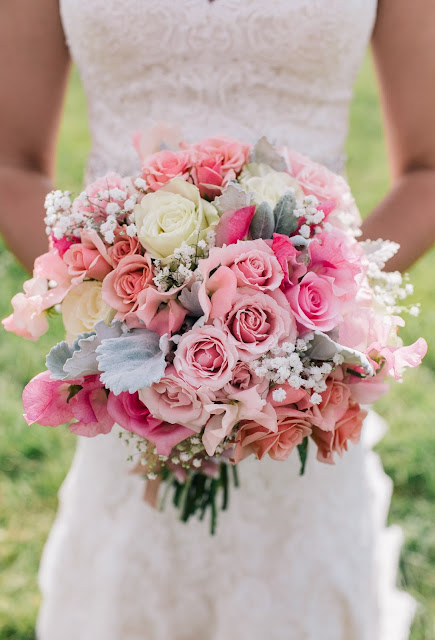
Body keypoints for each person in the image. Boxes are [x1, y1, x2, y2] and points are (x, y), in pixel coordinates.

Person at [0, 1, 434, 639]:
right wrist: (119, 305)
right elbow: (10, 163)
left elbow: (428, 169)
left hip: (302, 381)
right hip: (127, 362)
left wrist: (308, 315)